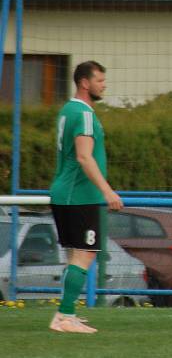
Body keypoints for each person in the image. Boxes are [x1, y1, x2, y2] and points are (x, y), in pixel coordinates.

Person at [48, 61, 124, 333]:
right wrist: (107, 190)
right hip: (79, 195)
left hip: (66, 193)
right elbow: (83, 156)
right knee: (86, 253)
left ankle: (65, 314)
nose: (104, 85)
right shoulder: (85, 115)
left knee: (76, 256)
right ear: (85, 83)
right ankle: (65, 317)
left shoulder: (68, 110)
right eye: (100, 80)